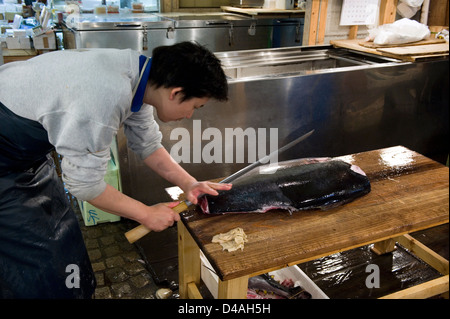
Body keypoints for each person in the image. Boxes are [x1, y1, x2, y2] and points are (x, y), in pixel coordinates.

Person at [0, 41, 232, 298]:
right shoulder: (103, 96)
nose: (190, 115)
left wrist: (189, 183)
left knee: (62, 239)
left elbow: (147, 145)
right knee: (38, 264)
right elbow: (84, 185)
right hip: (5, 161)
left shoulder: (140, 76)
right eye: (195, 107)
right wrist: (144, 213)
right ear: (175, 93)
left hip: (24, 156)